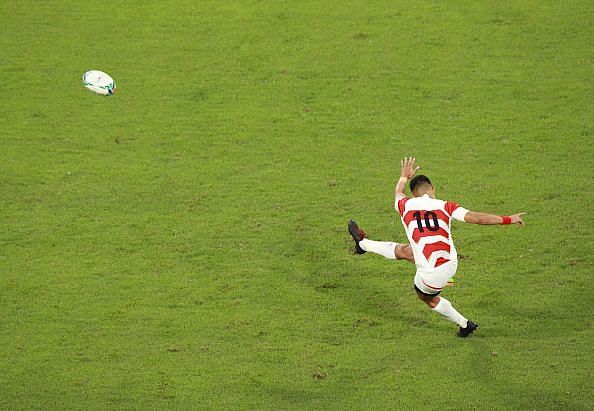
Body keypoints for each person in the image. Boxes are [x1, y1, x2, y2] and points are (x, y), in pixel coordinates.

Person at [348, 157, 525, 337]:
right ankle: (363, 244)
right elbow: (477, 218)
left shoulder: (405, 205)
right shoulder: (446, 206)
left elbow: (398, 193)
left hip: (432, 274)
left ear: (413, 194)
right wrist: (509, 219)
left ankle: (465, 324)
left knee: (426, 298)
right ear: (432, 189)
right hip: (450, 262)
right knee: (407, 251)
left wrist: (403, 177)